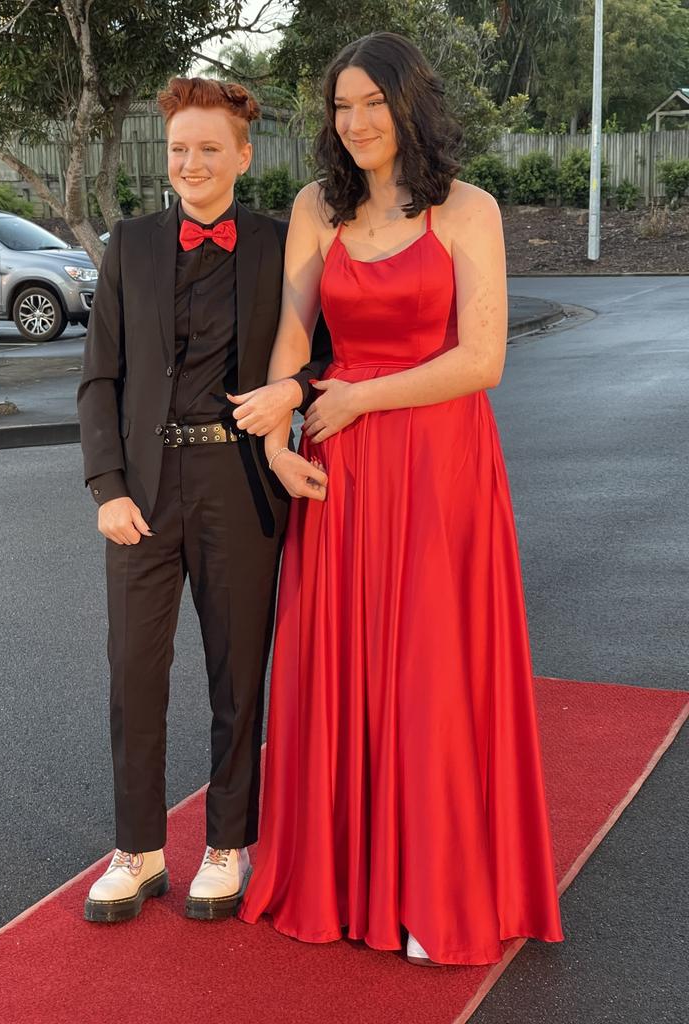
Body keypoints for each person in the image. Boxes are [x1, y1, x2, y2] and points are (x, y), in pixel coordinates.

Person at [232, 32, 564, 965]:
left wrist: (357, 394)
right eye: (342, 105)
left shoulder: (469, 210)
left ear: (411, 104)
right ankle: (342, 882)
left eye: (373, 101)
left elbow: (482, 359)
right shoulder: (315, 208)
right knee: (341, 667)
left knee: (428, 674)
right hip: (338, 468)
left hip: (437, 460)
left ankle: (433, 888)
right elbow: (293, 340)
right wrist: (274, 440)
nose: (356, 121)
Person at [77, 76, 331, 924]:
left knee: (237, 675)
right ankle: (138, 849)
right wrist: (106, 487)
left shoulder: (277, 244)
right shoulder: (130, 244)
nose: (192, 162)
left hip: (241, 484)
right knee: (133, 673)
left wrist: (289, 392)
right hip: (143, 492)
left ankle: (228, 843)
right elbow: (98, 380)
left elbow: (326, 355)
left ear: (244, 156)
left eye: (210, 148)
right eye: (180, 148)